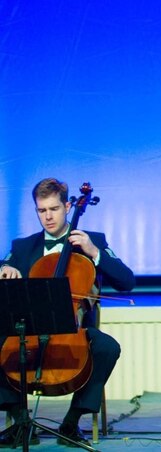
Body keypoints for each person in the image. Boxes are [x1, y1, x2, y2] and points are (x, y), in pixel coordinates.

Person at [0, 178, 135, 447]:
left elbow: (126, 281)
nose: (48, 217)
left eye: (54, 209)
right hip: (30, 331)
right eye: (42, 211)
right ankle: (20, 419)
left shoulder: (93, 240)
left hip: (76, 330)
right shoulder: (22, 247)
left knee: (107, 348)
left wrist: (94, 253)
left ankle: (72, 422)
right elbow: (5, 264)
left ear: (68, 206)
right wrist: (4, 269)